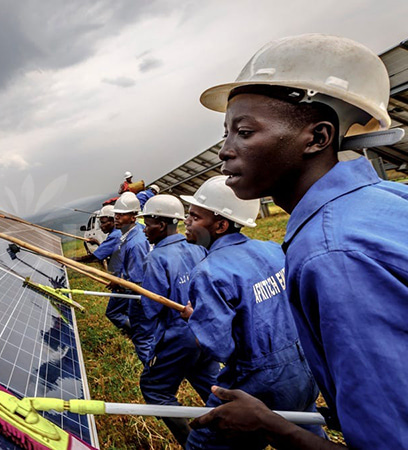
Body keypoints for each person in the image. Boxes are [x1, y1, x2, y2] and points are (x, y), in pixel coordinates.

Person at [189, 34, 408, 449]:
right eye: (226, 133)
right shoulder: (389, 198)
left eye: (245, 131)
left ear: (317, 137)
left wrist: (269, 426)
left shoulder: (334, 255)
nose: (224, 151)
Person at [179, 176, 324, 449]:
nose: (186, 221)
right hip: (304, 371)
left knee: (203, 443)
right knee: (306, 439)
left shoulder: (209, 272)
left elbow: (219, 347)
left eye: (195, 216)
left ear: (221, 224)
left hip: (257, 383)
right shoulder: (272, 250)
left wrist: (195, 318)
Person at [127, 194, 219, 446]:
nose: (144, 230)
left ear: (162, 224)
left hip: (180, 337)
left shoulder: (156, 258)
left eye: (148, 223)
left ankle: (195, 443)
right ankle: (233, 434)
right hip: (207, 329)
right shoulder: (196, 246)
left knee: (155, 388)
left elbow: (149, 311)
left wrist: (147, 352)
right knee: (213, 388)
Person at [72, 205, 128, 333]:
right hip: (123, 277)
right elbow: (108, 248)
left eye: (103, 223)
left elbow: (95, 257)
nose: (101, 226)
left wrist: (73, 260)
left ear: (113, 221)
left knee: (112, 312)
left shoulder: (116, 235)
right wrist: (97, 243)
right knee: (126, 307)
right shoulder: (116, 233)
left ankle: (135, 331)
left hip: (124, 279)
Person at [106, 192, 151, 336]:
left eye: (122, 215)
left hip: (136, 288)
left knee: (113, 312)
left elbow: (137, 279)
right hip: (128, 281)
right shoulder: (130, 233)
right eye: (116, 214)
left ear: (133, 217)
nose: (116, 218)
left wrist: (119, 283)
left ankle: (139, 332)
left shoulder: (135, 243)